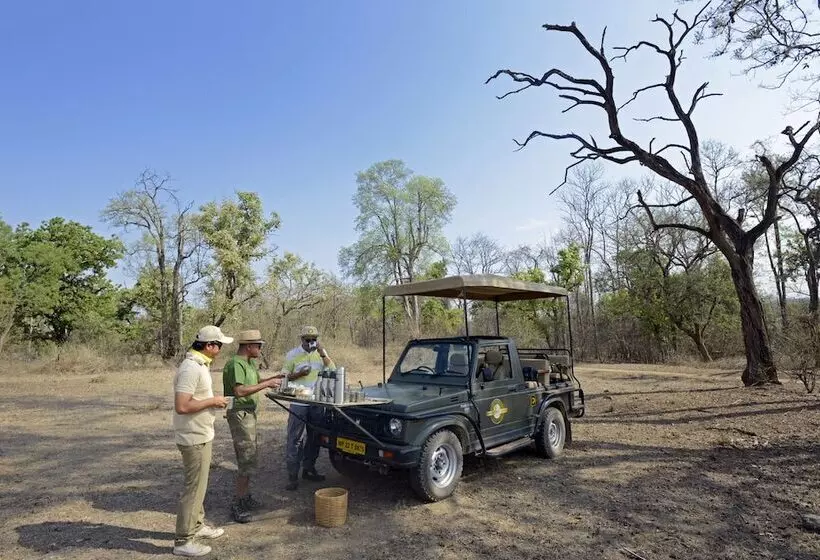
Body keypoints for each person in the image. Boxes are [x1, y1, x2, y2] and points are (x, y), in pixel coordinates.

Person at [172, 325, 232, 558]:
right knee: (193, 488)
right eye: (219, 345)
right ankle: (183, 541)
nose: (221, 349)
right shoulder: (191, 368)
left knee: (200, 486)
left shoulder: (200, 365)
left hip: (201, 433)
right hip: (193, 436)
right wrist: (212, 402)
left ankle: (197, 526)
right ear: (209, 346)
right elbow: (183, 405)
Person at [222, 329, 282, 523]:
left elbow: (256, 382)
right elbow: (239, 391)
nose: (260, 349)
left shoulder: (248, 363)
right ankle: (237, 503)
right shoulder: (235, 364)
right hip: (240, 414)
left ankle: (245, 498)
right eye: (258, 346)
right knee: (245, 459)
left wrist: (275, 379)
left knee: (250, 458)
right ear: (249, 346)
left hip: (248, 414)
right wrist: (266, 385)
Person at [281, 325, 334, 490]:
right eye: (308, 340)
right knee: (295, 438)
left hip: (316, 401)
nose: (311, 342)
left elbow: (332, 369)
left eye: (314, 339)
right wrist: (297, 375)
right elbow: (282, 377)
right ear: (301, 339)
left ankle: (309, 469)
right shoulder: (292, 355)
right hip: (298, 401)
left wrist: (322, 352)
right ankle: (292, 476)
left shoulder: (320, 354)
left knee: (315, 436)